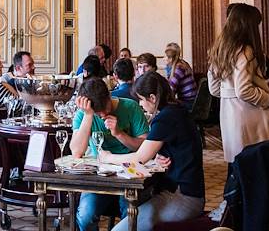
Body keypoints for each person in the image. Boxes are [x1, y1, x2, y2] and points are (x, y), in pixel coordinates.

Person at [99, 73, 205, 231]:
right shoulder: (176, 110)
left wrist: (108, 157)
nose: (140, 104)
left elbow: (138, 158)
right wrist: (158, 156)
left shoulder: (166, 118)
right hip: (190, 192)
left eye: (141, 99)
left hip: (183, 197)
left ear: (153, 98)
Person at [208, 3, 269, 197]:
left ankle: (235, 207)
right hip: (249, 115)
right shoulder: (245, 51)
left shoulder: (220, 49)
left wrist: (228, 95)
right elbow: (244, 90)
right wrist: (268, 99)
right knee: (259, 164)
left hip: (229, 113)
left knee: (237, 166)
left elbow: (214, 88)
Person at [70, 78, 150, 231]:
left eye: (104, 108)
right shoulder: (84, 114)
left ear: (109, 96)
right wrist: (88, 115)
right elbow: (77, 152)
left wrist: (119, 134)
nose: (102, 114)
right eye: (97, 111)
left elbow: (144, 146)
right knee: (85, 216)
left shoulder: (130, 107)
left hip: (129, 172)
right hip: (98, 176)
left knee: (130, 214)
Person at [164, 42, 198, 110]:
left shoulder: (178, 69)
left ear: (170, 59)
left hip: (188, 103)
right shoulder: (183, 64)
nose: (163, 58)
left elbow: (171, 90)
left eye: (165, 56)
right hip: (191, 101)